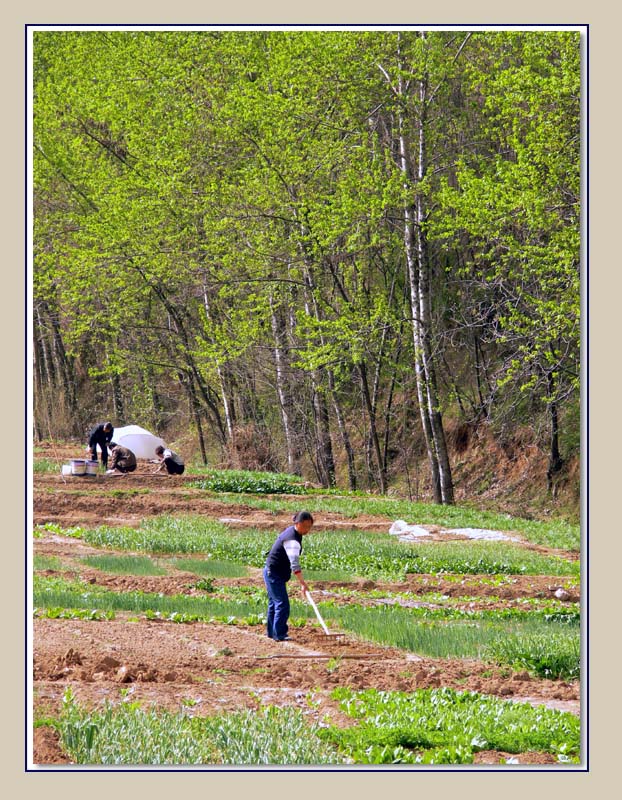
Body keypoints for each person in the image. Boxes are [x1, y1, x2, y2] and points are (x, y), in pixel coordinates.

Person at [263, 511, 314, 642]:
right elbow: (295, 564)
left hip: (272, 571)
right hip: (273, 573)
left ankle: (272, 632)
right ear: (298, 523)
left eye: (310, 527)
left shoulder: (293, 532)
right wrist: (303, 583)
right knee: (282, 604)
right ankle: (279, 634)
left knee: (274, 603)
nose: (308, 530)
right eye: (306, 526)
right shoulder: (292, 539)